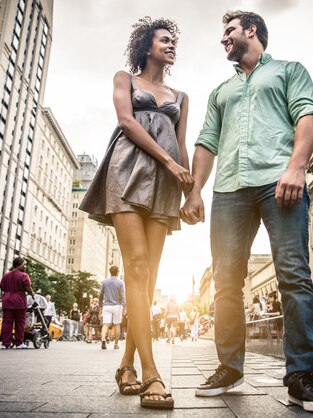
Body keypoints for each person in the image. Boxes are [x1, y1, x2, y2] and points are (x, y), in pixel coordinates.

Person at [180, 10, 313, 412]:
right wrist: (194, 191)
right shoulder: (221, 92)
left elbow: (307, 116)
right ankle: (229, 368)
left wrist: (296, 167)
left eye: (229, 31)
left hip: (278, 182)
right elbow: (206, 143)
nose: (223, 39)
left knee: (293, 273)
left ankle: (301, 376)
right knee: (226, 283)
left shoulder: (289, 71)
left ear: (251, 31)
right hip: (230, 188)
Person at [78, 16, 191, 410]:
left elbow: (182, 145)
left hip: (164, 184)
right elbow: (126, 122)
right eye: (164, 39)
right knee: (137, 268)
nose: (171, 44)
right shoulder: (125, 78)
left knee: (148, 278)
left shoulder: (180, 95)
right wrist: (170, 163)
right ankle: (151, 372)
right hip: (127, 171)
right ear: (147, 46)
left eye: (174, 41)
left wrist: (190, 191)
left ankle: (125, 365)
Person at [0, 257, 36, 349]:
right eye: (24, 264)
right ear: (19, 264)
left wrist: (9, 292)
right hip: (19, 301)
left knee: (7, 323)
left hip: (7, 301)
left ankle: (5, 343)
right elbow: (28, 287)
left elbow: (2, 287)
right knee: (20, 322)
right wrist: (32, 294)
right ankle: (19, 343)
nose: (25, 266)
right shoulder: (24, 275)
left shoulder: (6, 275)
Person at [99, 266, 125, 350]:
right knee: (117, 325)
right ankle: (116, 344)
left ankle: (103, 339)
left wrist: (100, 305)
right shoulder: (120, 282)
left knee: (105, 324)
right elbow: (122, 296)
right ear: (117, 272)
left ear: (110, 272)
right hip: (117, 306)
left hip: (106, 306)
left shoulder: (104, 282)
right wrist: (125, 306)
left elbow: (101, 294)